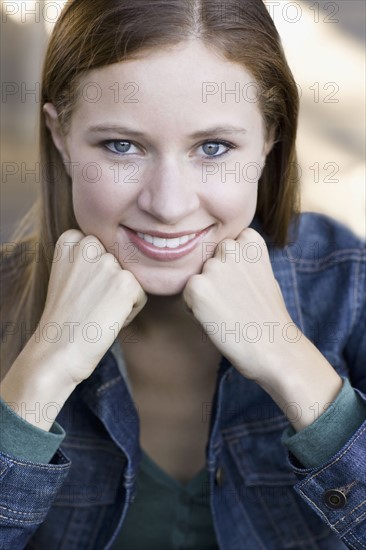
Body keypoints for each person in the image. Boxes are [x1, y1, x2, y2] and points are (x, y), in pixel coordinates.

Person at [0, 0, 365, 548]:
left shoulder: (349, 285)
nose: (169, 205)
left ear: (270, 140)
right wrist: (41, 375)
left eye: (213, 147)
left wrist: (293, 364)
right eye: (121, 146)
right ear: (61, 136)